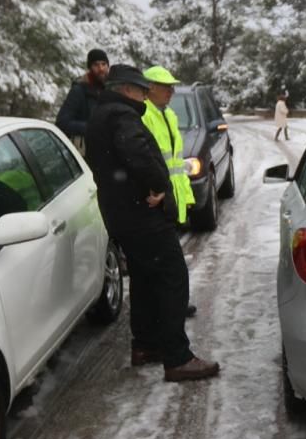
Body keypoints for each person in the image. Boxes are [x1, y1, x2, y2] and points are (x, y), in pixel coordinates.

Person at [85, 63, 219, 381]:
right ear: (126, 89)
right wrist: (159, 185)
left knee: (145, 278)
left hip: (121, 212)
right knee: (173, 276)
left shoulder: (101, 114)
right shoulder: (121, 115)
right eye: (141, 90)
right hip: (140, 213)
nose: (144, 96)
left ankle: (145, 345)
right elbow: (138, 155)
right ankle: (177, 357)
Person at [141, 65, 198, 318]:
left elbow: (176, 163)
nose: (172, 92)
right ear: (150, 87)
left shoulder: (169, 115)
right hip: (157, 202)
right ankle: (170, 310)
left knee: (170, 263)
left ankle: (174, 305)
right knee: (168, 264)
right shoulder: (145, 116)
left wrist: (184, 197)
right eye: (167, 87)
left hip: (170, 199)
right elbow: (146, 160)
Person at [57, 49, 109, 153]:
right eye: (96, 65)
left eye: (104, 64)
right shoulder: (79, 90)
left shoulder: (110, 89)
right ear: (90, 67)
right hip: (84, 153)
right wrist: (90, 127)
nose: (101, 68)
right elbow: (62, 122)